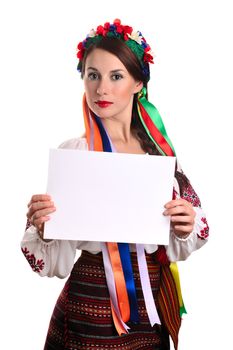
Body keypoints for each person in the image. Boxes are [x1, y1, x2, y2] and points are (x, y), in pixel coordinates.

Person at [21, 19, 209, 350]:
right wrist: (43, 227)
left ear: (139, 82)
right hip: (88, 308)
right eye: (92, 75)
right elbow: (54, 264)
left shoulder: (160, 154)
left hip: (150, 309)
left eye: (116, 76)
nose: (101, 89)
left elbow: (193, 232)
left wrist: (185, 224)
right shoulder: (75, 154)